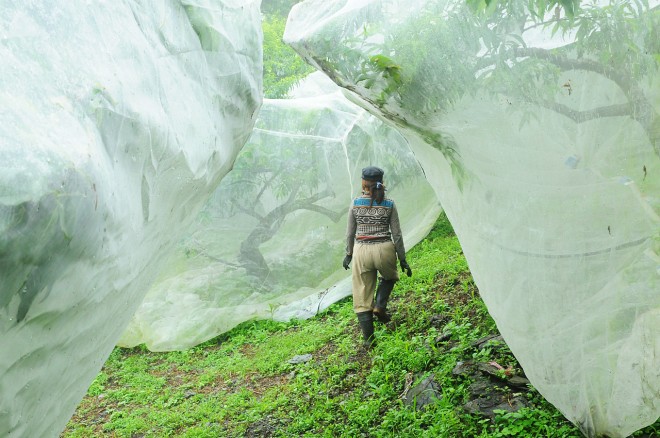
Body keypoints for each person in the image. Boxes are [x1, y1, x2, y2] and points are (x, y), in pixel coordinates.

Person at [343, 166, 412, 350]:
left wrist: (349, 254)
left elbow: (350, 233)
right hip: (385, 249)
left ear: (363, 182)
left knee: (362, 294)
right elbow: (396, 234)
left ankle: (369, 340)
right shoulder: (389, 204)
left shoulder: (356, 203)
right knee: (389, 277)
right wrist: (403, 259)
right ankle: (380, 306)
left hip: (361, 250)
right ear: (382, 181)